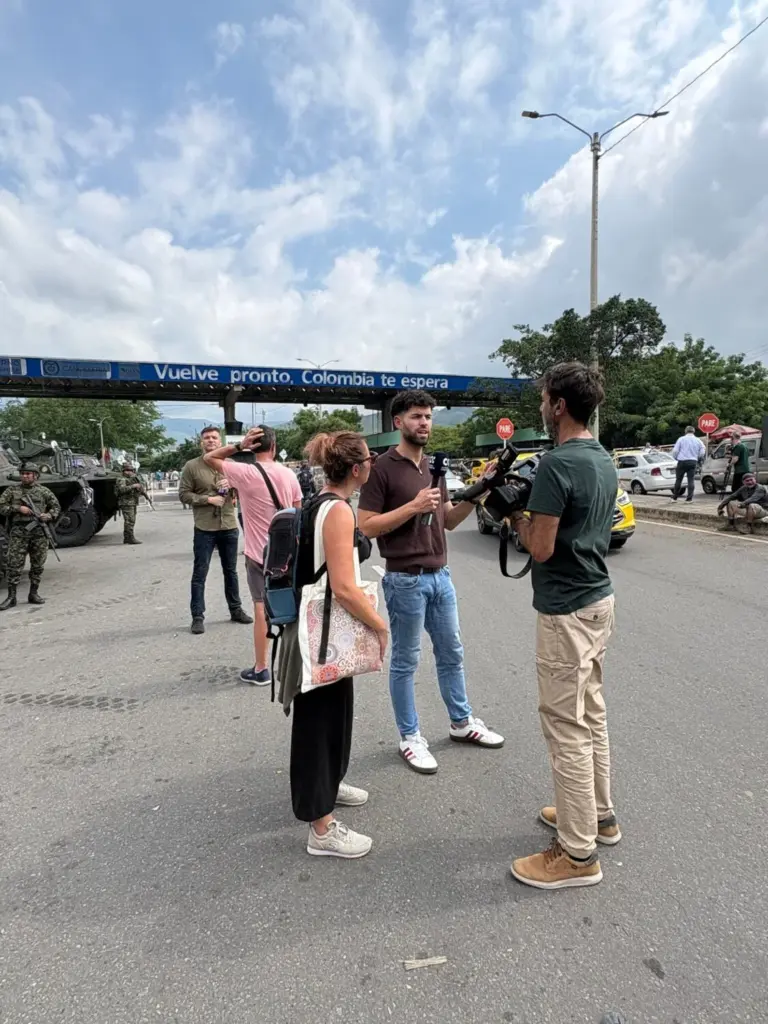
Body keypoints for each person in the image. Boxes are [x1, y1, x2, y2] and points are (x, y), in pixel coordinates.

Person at [508, 362, 619, 891]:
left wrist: (511, 514)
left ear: (557, 405)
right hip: (599, 601)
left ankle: (577, 855)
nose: (541, 406)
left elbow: (541, 546)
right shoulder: (601, 457)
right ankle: (599, 815)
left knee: (565, 727)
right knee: (591, 711)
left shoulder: (556, 464)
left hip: (566, 611)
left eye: (544, 397)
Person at [358, 389, 504, 774]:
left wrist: (482, 488)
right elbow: (366, 525)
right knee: (406, 661)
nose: (424, 423)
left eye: (428, 416)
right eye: (416, 416)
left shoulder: (434, 468)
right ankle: (410, 737)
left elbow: (450, 521)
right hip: (405, 579)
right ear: (398, 422)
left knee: (452, 652)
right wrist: (412, 507)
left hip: (441, 575)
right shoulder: (381, 469)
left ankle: (461, 722)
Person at [275, 431, 388, 859]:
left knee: (332, 714)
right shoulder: (338, 511)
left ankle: (330, 784)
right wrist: (380, 627)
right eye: (369, 460)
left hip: (316, 633)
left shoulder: (314, 503)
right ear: (357, 469)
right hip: (325, 635)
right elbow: (343, 587)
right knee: (317, 724)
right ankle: (320, 826)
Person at [203, 425, 302, 685]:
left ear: (252, 448)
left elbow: (210, 459)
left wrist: (238, 446)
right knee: (293, 606)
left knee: (261, 609)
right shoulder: (289, 474)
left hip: (259, 555)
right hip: (288, 555)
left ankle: (261, 669)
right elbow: (297, 515)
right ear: (275, 446)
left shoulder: (244, 472)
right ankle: (298, 665)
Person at [179, 426, 253, 635]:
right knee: (200, 572)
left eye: (214, 437)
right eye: (206, 438)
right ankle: (198, 616)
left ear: (220, 442)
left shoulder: (230, 465)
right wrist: (207, 499)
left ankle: (236, 609)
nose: (210, 441)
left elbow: (247, 489)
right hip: (204, 527)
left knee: (231, 571)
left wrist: (233, 483)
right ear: (201, 442)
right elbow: (184, 494)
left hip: (228, 525)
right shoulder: (192, 466)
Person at [0, 463, 60, 609]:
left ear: (35, 475)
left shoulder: (43, 491)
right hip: (19, 532)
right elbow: (1, 507)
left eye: (28, 474)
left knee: (38, 564)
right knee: (14, 564)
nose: (25, 476)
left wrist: (48, 515)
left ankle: (33, 593)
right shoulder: (12, 491)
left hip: (39, 532)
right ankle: (11, 597)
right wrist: (18, 508)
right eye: (23, 473)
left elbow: (56, 507)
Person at [671, 426, 705, 502]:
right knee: (691, 480)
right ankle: (689, 499)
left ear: (685, 431)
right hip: (693, 461)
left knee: (678, 480)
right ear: (693, 432)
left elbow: (675, 451)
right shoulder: (698, 440)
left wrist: (676, 458)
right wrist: (698, 457)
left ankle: (674, 497)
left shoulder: (681, 439)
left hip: (682, 461)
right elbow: (702, 451)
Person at [114, 463, 145, 545]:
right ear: (124, 471)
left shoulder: (131, 479)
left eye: (131, 470)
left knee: (131, 520)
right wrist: (133, 486)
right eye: (128, 470)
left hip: (132, 502)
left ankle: (127, 538)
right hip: (126, 502)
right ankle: (130, 538)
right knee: (130, 521)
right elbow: (121, 490)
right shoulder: (121, 479)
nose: (130, 472)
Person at [729, 430, 751, 494]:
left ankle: (738, 501)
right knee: (743, 487)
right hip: (746, 469)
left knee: (735, 488)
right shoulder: (744, 446)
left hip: (739, 470)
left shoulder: (738, 446)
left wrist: (729, 464)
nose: (731, 440)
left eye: (731, 438)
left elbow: (735, 459)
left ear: (733, 438)